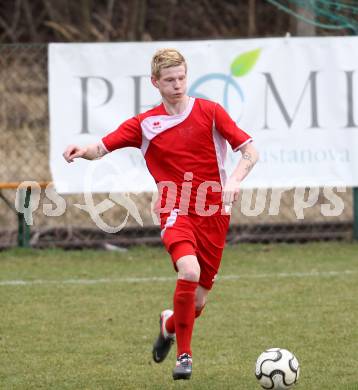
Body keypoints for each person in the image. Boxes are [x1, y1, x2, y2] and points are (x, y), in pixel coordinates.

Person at [63, 48, 259, 380]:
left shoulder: (211, 112)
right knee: (188, 269)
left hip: (214, 214)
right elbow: (102, 147)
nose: (177, 85)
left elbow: (250, 150)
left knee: (196, 304)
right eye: (169, 80)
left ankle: (169, 325)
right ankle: (185, 355)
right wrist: (84, 151)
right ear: (155, 82)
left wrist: (235, 180)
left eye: (182, 78)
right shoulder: (145, 124)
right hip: (174, 209)